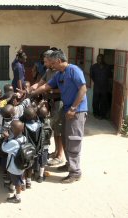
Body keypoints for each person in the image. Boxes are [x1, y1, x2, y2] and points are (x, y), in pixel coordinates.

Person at [30, 50, 88, 184]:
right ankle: (70, 164)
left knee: (73, 140)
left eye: (52, 63)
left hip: (77, 110)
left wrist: (73, 108)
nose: (50, 66)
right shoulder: (59, 74)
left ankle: (75, 172)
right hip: (67, 109)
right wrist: (30, 93)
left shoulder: (74, 70)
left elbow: (83, 89)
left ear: (59, 61)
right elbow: (45, 86)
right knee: (65, 138)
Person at [32, 49, 65, 166]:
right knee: (54, 128)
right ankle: (56, 152)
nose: (45, 63)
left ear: (53, 61)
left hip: (59, 102)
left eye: (46, 61)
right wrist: (30, 89)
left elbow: (63, 89)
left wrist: (48, 89)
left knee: (59, 129)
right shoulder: (48, 71)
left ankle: (60, 155)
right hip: (51, 102)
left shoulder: (60, 72)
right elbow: (40, 83)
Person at [2, 120, 26, 203]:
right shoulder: (24, 138)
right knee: (18, 178)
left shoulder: (13, 142)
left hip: (14, 167)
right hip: (21, 164)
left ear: (12, 131)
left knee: (17, 182)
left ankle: (17, 197)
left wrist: (5, 138)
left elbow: (4, 148)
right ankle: (16, 186)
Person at [90, 54, 111, 119]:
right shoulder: (93, 67)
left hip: (104, 87)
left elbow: (110, 76)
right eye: (98, 58)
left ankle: (102, 115)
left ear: (103, 59)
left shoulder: (107, 67)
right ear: (96, 59)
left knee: (103, 101)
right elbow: (91, 76)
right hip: (97, 86)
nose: (99, 59)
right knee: (95, 101)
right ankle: (96, 113)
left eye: (101, 58)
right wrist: (97, 81)